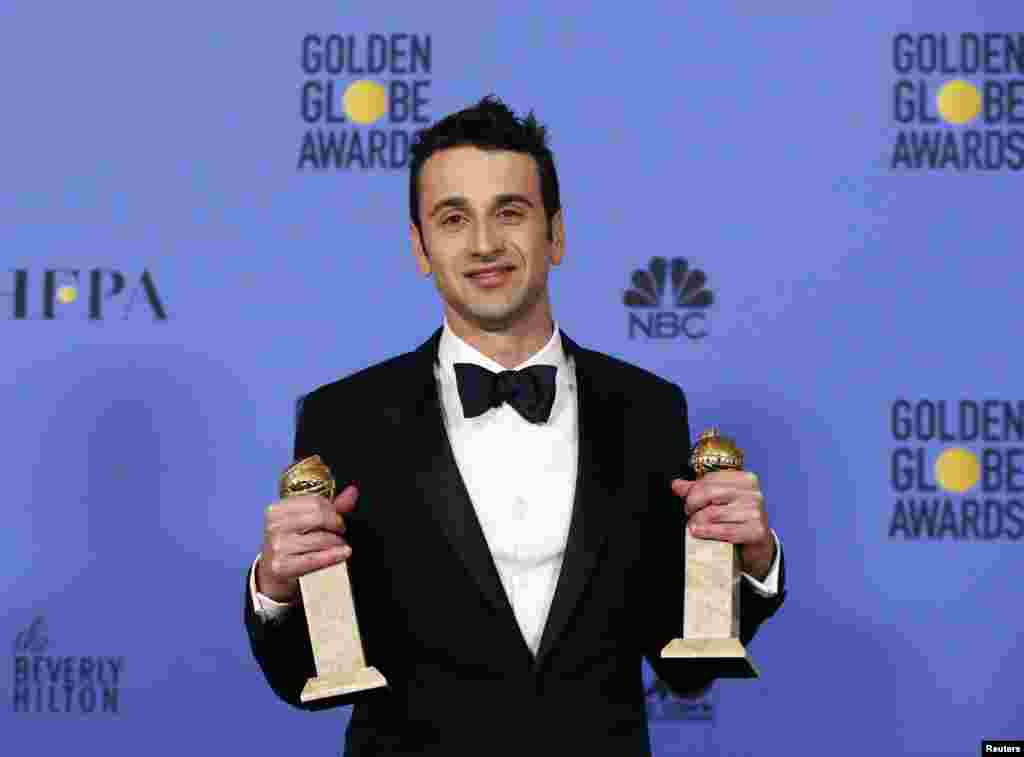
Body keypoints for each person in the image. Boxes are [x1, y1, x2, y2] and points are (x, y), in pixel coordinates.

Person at [243, 95, 786, 756]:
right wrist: (275, 587)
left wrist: (750, 564)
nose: (483, 244)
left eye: (510, 211)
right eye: (452, 217)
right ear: (419, 246)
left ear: (556, 233)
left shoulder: (647, 409)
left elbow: (689, 664)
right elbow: (306, 671)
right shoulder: (346, 417)